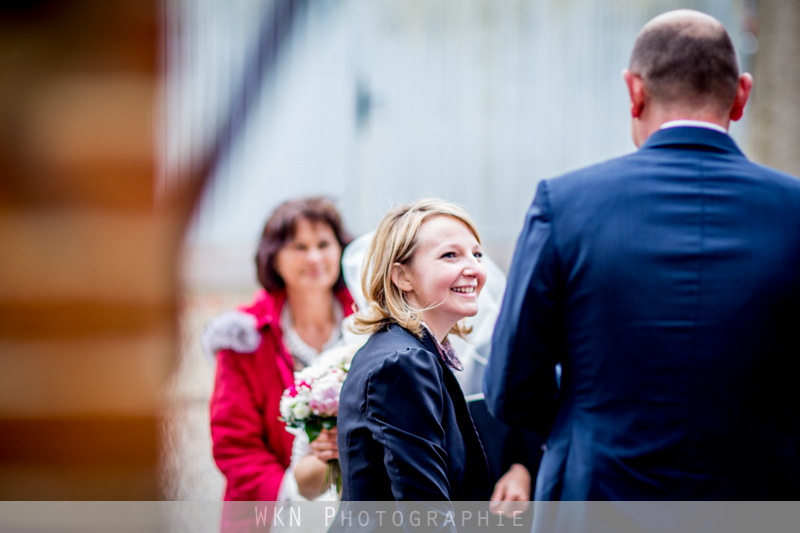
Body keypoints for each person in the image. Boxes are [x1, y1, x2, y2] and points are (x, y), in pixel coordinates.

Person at [485, 8, 800, 503]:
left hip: (598, 496)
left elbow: (510, 386)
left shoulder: (565, 205)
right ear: (741, 95)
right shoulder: (793, 210)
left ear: (634, 91)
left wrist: (590, 429)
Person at [337, 199, 493, 502]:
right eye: (450, 255)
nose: (474, 268)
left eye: (477, 254)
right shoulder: (403, 363)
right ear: (402, 276)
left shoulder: (402, 349)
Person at [205, 197, 355, 502]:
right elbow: (234, 444)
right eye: (299, 247)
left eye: (324, 244)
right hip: (273, 509)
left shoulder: (369, 319)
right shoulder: (244, 337)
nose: (314, 257)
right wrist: (295, 497)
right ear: (273, 258)